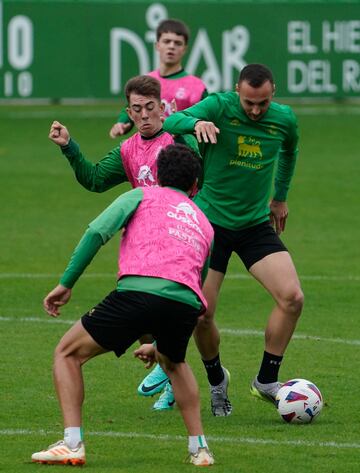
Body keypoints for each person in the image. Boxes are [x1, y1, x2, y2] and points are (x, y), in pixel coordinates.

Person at [31, 144, 215, 467]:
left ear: (157, 175)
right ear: (195, 186)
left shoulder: (142, 195)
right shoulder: (205, 223)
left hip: (136, 292)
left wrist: (67, 283)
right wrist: (158, 344)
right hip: (185, 304)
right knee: (175, 363)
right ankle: (199, 449)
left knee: (67, 353)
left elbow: (97, 232)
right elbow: (189, 286)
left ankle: (72, 443)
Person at [143, 63, 303, 417]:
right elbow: (170, 122)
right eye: (249, 103)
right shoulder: (218, 105)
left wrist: (280, 196)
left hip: (254, 224)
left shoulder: (285, 119)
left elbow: (290, 152)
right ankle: (217, 382)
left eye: (262, 103)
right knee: (202, 313)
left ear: (273, 92)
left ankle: (266, 380)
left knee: (291, 298)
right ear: (237, 91)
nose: (256, 111)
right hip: (210, 225)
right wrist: (194, 123)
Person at [49, 75, 200, 194]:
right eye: (137, 109)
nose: (144, 115)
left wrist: (181, 138)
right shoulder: (127, 150)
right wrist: (68, 145)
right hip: (150, 228)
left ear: (161, 108)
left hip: (183, 227)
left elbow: (203, 177)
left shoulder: (180, 138)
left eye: (149, 107)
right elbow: (94, 179)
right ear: (129, 113)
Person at [109, 18, 207, 139]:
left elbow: (206, 121)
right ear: (157, 45)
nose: (171, 46)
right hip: (149, 151)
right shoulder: (146, 80)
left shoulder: (197, 87)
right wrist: (122, 123)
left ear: (185, 49)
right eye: (167, 41)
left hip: (182, 153)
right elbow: (130, 107)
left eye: (177, 43)